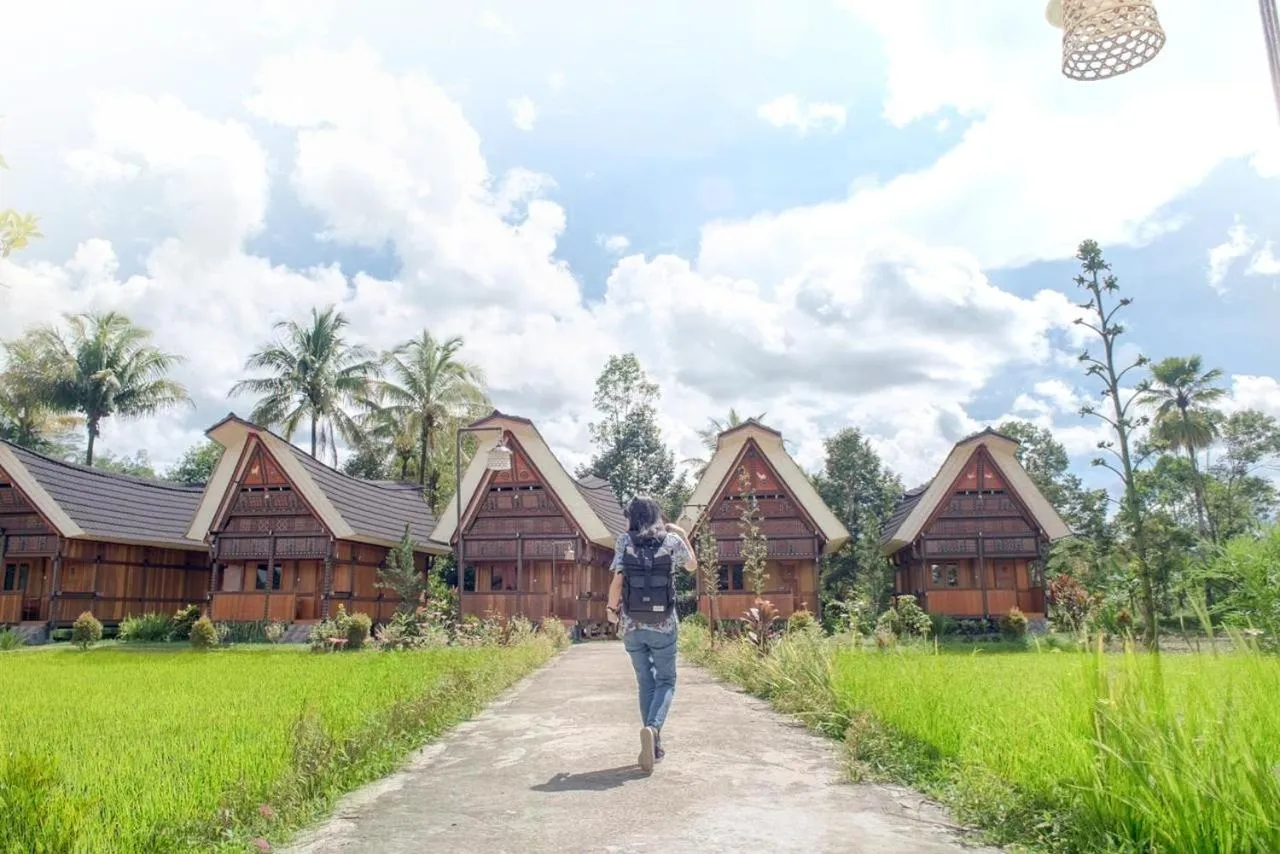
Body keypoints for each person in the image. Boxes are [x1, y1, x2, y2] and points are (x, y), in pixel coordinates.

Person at [606, 495, 696, 774]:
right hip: (664, 623)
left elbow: (618, 579)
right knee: (666, 680)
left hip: (632, 623)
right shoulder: (671, 541)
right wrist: (683, 533)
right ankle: (653, 730)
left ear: (633, 517)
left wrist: (611, 610)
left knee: (645, 680)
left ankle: (653, 744)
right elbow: (692, 566)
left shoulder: (624, 541)